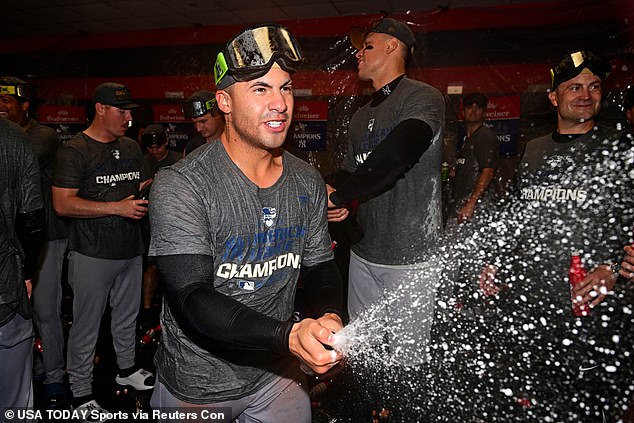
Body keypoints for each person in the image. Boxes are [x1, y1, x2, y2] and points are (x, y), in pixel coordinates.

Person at [148, 24, 344, 422]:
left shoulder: (305, 179)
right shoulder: (182, 184)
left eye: (285, 88)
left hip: (277, 376)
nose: (280, 104)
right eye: (260, 89)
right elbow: (191, 297)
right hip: (199, 386)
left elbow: (321, 265)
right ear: (224, 102)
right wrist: (288, 337)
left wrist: (329, 316)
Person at [472, 50, 634, 421]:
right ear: (553, 98)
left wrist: (613, 266)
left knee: (588, 409)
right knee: (535, 406)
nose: (586, 94)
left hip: (591, 317)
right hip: (533, 312)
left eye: (594, 86)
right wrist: (495, 260)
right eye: (574, 86)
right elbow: (516, 218)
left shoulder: (620, 150)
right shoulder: (533, 151)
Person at [326, 17, 445, 366]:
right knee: (364, 356)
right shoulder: (361, 116)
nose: (358, 54)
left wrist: (339, 196)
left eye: (367, 46)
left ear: (392, 46)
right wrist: (330, 188)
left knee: (406, 363)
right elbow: (352, 170)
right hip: (364, 253)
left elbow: (397, 156)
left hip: (411, 258)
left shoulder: (423, 97)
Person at [52, 82, 155, 419]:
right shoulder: (75, 150)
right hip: (91, 253)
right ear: (100, 109)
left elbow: (135, 188)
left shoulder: (130, 147)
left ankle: (126, 368)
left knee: (127, 317)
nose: (128, 118)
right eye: (121, 111)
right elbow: (63, 204)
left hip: (130, 248)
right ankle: (80, 394)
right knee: (86, 324)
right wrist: (115, 208)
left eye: (129, 112)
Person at [0, 76, 69, 408]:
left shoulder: (41, 136)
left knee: (43, 310)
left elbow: (17, 158)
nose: (1, 106)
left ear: (25, 105)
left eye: (7, 101)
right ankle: (35, 365)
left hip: (43, 240)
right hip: (12, 244)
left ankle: (55, 375)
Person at [0, 118, 45, 422]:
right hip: (5, 287)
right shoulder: (14, 137)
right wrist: (26, 272)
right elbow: (32, 218)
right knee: (14, 404)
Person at [139, 123, 180, 330]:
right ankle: (147, 312)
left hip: (173, 221)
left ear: (165, 143)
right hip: (148, 221)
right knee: (151, 267)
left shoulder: (178, 160)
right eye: (151, 148)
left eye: (158, 147)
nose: (155, 151)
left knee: (172, 268)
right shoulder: (142, 162)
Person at [446, 92, 499, 226]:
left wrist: (471, 203)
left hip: (475, 210)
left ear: (484, 113)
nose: (474, 110)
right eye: (470, 106)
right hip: (462, 206)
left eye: (478, 107)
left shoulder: (484, 136)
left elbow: (488, 172)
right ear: (463, 112)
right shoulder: (468, 140)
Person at [181, 90, 224, 157]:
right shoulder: (192, 147)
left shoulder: (237, 144)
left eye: (203, 121)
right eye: (195, 123)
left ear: (217, 113)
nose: (198, 129)